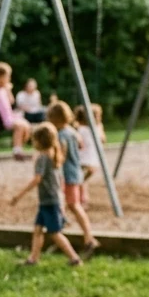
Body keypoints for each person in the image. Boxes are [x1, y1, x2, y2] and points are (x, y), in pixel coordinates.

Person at [9, 123, 82, 266]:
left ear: (39, 141)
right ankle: (33, 259)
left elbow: (37, 179)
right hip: (50, 201)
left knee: (55, 233)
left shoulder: (43, 158)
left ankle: (74, 258)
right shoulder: (54, 154)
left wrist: (18, 196)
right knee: (37, 230)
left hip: (49, 202)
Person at [47, 101, 99, 258]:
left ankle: (89, 239)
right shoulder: (73, 132)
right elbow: (81, 146)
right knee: (65, 207)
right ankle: (61, 240)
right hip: (76, 173)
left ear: (55, 119)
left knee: (73, 206)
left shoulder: (61, 135)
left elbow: (60, 157)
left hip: (66, 176)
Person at [73, 103, 106, 183]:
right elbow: (77, 140)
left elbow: (103, 140)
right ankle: (78, 182)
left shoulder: (98, 127)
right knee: (82, 168)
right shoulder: (81, 128)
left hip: (92, 152)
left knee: (92, 170)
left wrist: (101, 130)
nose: (99, 118)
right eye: (97, 116)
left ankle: (80, 182)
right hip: (83, 152)